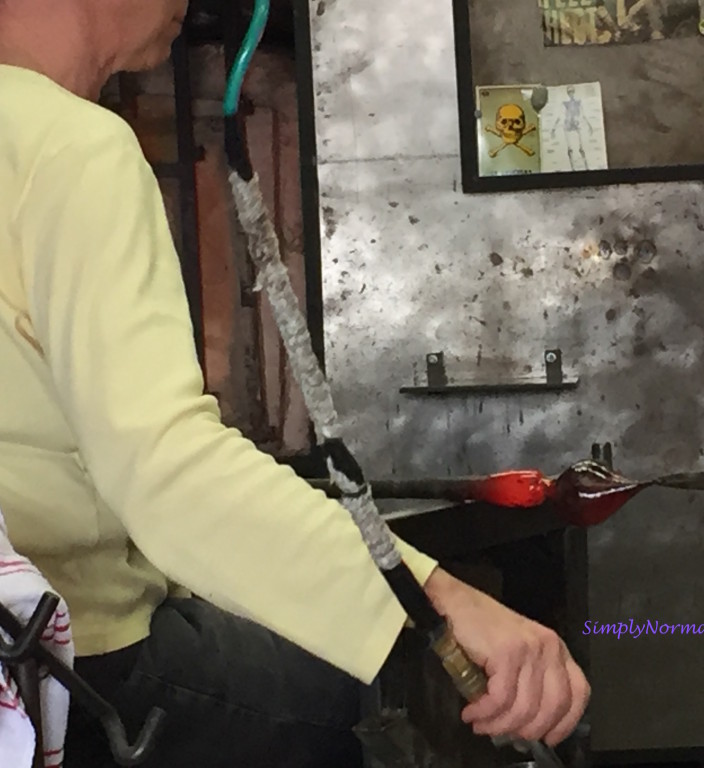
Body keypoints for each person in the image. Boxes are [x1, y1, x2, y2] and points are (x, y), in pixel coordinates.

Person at [0, 1, 589, 765]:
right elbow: (165, 476)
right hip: (70, 661)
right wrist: (436, 598)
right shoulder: (69, 149)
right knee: (341, 707)